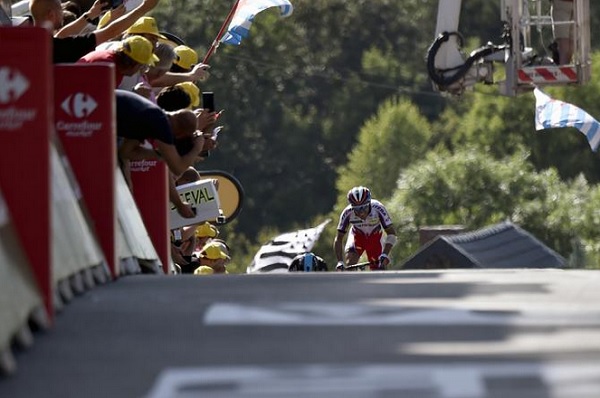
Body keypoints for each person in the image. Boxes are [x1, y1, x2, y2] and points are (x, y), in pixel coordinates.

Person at [115, 89, 211, 187]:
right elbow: (177, 169)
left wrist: (160, 155)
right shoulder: (163, 125)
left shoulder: (155, 116)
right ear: (180, 134)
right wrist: (197, 148)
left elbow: (126, 152)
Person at [29, 0, 160, 63]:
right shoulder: (57, 48)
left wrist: (89, 15)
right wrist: (143, 8)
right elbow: (110, 32)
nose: (63, 13)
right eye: (59, 10)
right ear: (51, 15)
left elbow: (61, 35)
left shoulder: (27, 42)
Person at [333, 186, 397, 271]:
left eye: (364, 207)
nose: (361, 213)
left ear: (369, 203)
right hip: (357, 236)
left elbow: (392, 234)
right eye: (357, 209)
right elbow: (339, 238)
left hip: (375, 237)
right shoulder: (347, 212)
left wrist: (385, 254)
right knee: (350, 264)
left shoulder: (378, 208)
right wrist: (340, 261)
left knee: (379, 267)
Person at [77, 35, 159, 87]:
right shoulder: (107, 67)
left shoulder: (115, 66)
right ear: (134, 64)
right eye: (142, 66)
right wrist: (135, 94)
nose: (141, 70)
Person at [550, 0, 574, 65]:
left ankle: (564, 69)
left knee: (563, 41)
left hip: (561, 3)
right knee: (571, 41)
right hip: (578, 4)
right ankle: (567, 68)